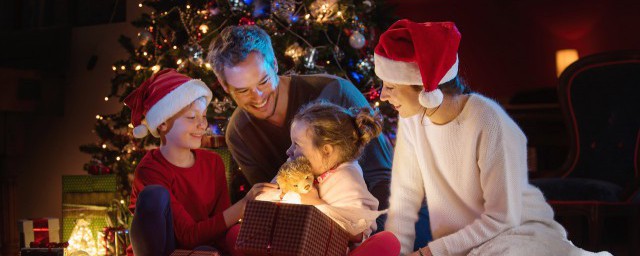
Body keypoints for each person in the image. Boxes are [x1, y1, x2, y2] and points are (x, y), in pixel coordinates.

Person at [375, 20, 613, 256]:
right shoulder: (411, 121)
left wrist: (428, 253)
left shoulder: (487, 119)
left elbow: (501, 219)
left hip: (516, 236)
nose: (383, 95)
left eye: (391, 86)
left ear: (423, 87)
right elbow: (404, 201)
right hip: (460, 247)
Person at [205, 25, 396, 231]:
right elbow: (275, 197)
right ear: (225, 86)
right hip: (313, 234)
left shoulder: (335, 93)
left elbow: (383, 179)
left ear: (275, 65)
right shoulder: (239, 133)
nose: (258, 97)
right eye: (243, 90)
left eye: (263, 81)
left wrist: (371, 239)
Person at [125, 69, 278, 256]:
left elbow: (221, 223)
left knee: (228, 241)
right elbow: (187, 235)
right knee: (153, 194)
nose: (202, 125)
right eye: (191, 117)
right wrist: (244, 205)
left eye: (204, 116)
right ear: (162, 123)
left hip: (201, 248)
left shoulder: (213, 162)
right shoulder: (150, 171)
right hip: (162, 250)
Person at [285, 101, 400, 255]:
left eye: (296, 145)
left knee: (386, 242)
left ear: (326, 150)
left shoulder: (347, 178)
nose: (288, 151)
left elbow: (358, 232)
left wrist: (313, 202)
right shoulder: (303, 167)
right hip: (297, 244)